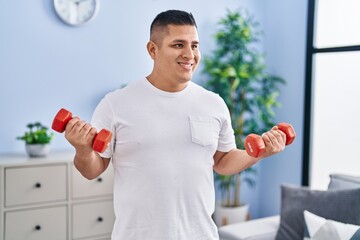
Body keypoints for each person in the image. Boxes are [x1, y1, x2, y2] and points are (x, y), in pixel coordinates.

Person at [64, 10, 286, 240]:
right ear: (152, 49)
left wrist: (259, 153)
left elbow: (222, 160)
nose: (190, 54)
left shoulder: (214, 103)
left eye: (195, 45)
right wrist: (83, 149)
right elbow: (93, 169)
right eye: (178, 45)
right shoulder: (115, 104)